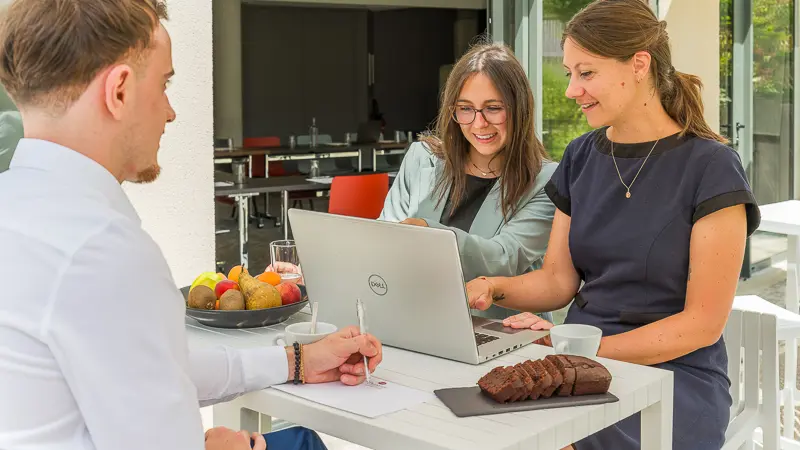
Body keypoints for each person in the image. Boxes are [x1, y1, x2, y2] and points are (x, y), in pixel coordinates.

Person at [0, 2, 382, 450]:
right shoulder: (102, 252)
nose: (170, 112)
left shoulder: (19, 208)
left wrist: (297, 360)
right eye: (164, 85)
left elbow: (152, 364)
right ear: (119, 91)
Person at [465, 1, 760, 449]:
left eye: (586, 73)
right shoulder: (581, 157)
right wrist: (492, 286)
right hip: (576, 360)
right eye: (569, 73)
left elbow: (701, 324)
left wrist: (572, 348)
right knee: (483, 425)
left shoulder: (711, 167)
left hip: (675, 375)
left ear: (639, 64)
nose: (571, 90)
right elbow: (558, 280)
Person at [379, 42, 558, 321]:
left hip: (500, 329)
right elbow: (385, 242)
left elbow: (504, 258)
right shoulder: (422, 158)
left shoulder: (546, 180)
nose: (478, 123)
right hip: (418, 319)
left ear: (519, 108)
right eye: (465, 108)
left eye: (493, 108)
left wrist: (429, 233)